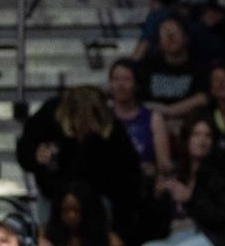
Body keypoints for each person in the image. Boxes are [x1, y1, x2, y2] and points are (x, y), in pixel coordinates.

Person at [15, 86, 143, 232]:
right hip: (54, 194)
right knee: (51, 239)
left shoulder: (108, 127)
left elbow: (127, 172)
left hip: (96, 197)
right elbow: (26, 148)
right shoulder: (50, 115)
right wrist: (35, 156)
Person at [139, 115, 225, 246]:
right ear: (187, 138)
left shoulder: (220, 175)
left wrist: (191, 198)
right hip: (174, 235)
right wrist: (157, 196)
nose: (202, 141)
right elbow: (154, 222)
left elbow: (222, 216)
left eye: (207, 136)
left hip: (206, 237)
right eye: (196, 134)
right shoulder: (176, 172)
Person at [108, 59, 173, 181]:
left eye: (127, 80)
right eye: (116, 79)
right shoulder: (103, 117)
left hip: (144, 183)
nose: (120, 85)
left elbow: (165, 165)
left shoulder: (154, 118)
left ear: (137, 84)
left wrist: (156, 170)